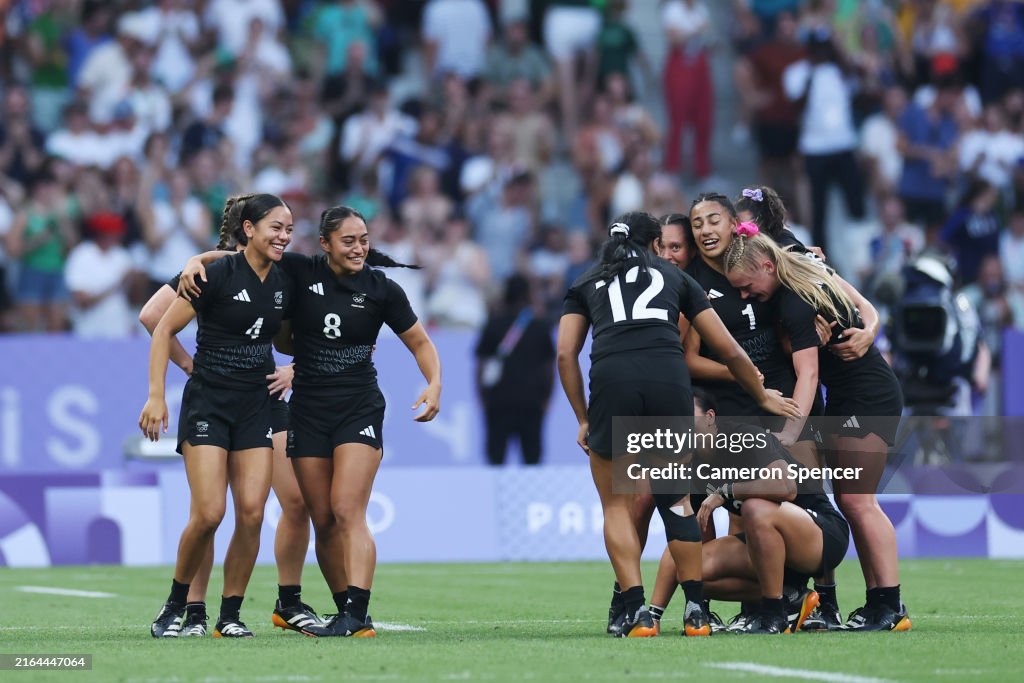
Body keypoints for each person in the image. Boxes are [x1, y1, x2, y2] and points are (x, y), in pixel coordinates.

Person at [179, 206, 441, 638]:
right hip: (307, 411)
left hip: (358, 407)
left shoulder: (382, 289)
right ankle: (344, 611)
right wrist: (195, 260)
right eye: (348, 241)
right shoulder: (300, 271)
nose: (358, 248)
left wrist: (434, 383)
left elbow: (421, 342)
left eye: (363, 240)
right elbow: (242, 259)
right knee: (320, 517)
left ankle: (356, 612)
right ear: (325, 244)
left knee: (347, 509)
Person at [557, 211, 800, 638]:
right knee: (677, 502)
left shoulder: (586, 282)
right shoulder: (676, 278)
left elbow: (565, 354)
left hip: (613, 381)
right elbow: (728, 348)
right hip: (668, 382)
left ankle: (636, 611)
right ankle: (695, 612)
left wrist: (582, 417)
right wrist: (762, 394)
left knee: (617, 506)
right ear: (655, 245)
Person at [137, 203, 321, 637]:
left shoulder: (285, 278)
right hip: (210, 402)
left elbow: (298, 336)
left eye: (289, 228)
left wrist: (303, 363)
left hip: (257, 403)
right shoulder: (212, 273)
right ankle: (179, 607)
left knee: (253, 513)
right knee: (208, 513)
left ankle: (230, 615)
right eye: (276, 227)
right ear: (248, 228)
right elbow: (160, 326)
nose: (285, 236)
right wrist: (157, 395)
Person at [723, 229, 911, 632]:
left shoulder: (793, 299)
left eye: (747, 286)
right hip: (848, 396)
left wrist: (790, 434)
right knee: (850, 500)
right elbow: (860, 305)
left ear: (767, 265)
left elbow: (807, 375)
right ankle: (877, 603)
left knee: (859, 502)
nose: (745, 295)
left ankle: (891, 605)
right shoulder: (808, 268)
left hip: (867, 398)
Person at [692, 389, 850, 634]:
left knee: (756, 507)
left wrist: (726, 491)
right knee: (691, 573)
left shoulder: (745, 437)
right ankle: (792, 596)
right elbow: (700, 525)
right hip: (769, 543)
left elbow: (786, 487)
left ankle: (774, 614)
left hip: (822, 536)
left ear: (710, 417)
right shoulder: (692, 463)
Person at [475, 274, 555, 466]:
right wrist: (546, 400)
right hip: (532, 403)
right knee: (532, 461)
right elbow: (549, 369)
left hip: (498, 402)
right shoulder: (540, 327)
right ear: (528, 295)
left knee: (496, 460)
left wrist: (483, 399)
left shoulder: (493, 325)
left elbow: (481, 367)